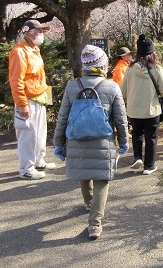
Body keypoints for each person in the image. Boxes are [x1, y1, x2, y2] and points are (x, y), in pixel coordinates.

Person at [53, 45, 129, 240]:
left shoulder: (72, 86)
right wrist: (123, 141)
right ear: (102, 64)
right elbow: (121, 119)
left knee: (84, 173)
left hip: (77, 139)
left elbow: (63, 118)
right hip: (103, 141)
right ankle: (95, 224)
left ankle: (89, 203)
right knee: (102, 180)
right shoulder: (111, 87)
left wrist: (58, 143)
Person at [9, 19, 56, 180]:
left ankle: (38, 161)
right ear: (27, 32)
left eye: (42, 31)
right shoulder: (19, 52)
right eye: (38, 31)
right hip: (28, 99)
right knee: (28, 134)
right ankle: (26, 168)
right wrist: (22, 104)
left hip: (39, 97)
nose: (41, 34)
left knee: (40, 133)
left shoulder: (34, 50)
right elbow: (16, 81)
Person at [121, 34, 163, 174]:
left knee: (136, 134)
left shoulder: (130, 69)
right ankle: (149, 166)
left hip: (133, 110)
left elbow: (122, 91)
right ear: (152, 52)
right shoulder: (157, 68)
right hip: (152, 109)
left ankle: (137, 157)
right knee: (151, 137)